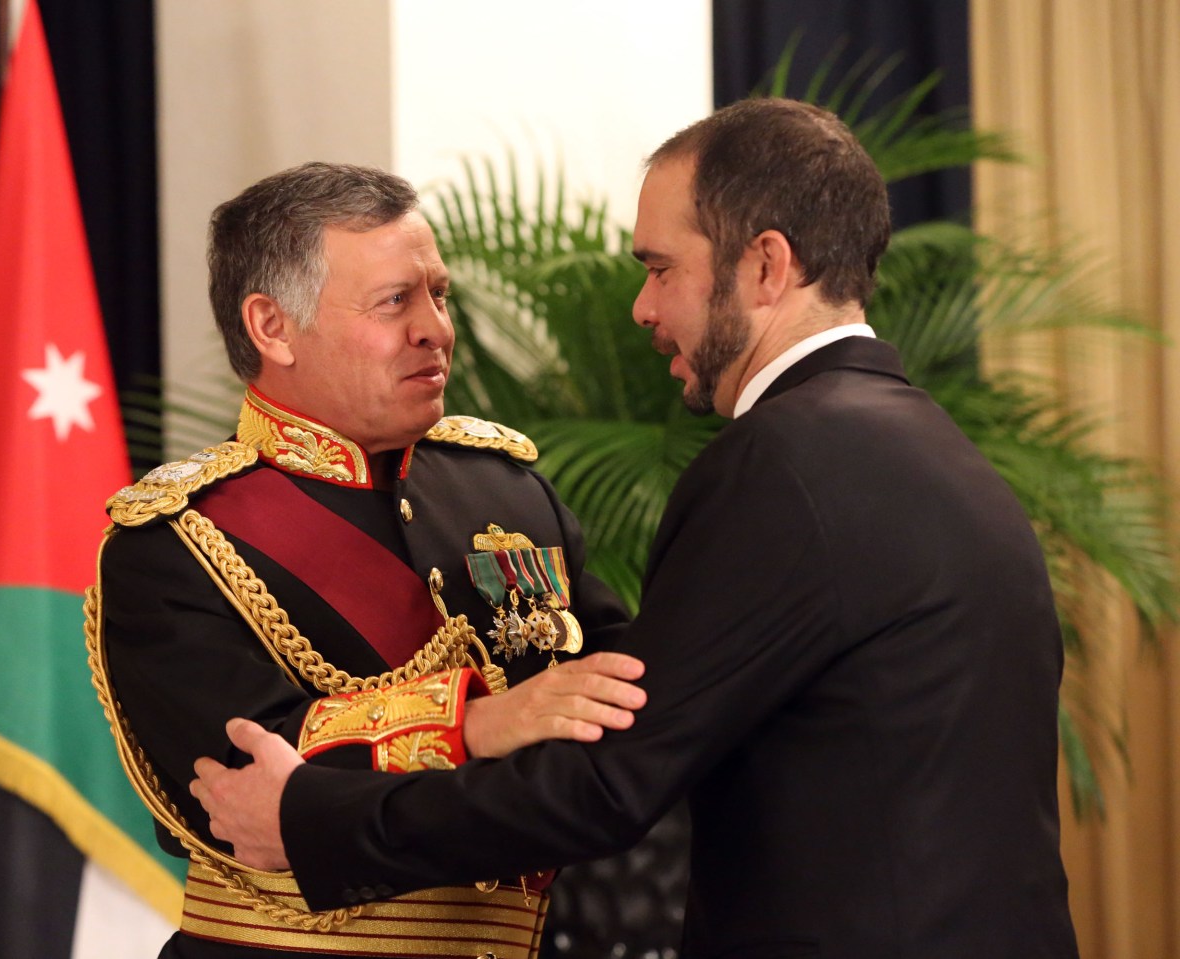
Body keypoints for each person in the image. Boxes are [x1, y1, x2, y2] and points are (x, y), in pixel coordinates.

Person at [189, 100, 1082, 958]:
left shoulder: (782, 461)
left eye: (661, 269)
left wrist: (308, 817)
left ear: (766, 266)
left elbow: (611, 781)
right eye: (394, 302)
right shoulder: (933, 447)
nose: (642, 309)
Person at [86, 161, 641, 959]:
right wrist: (479, 724)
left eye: (439, 295)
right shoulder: (173, 541)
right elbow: (242, 778)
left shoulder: (507, 491)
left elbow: (612, 701)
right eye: (395, 302)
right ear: (272, 327)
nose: (436, 329)